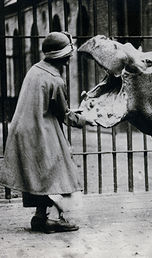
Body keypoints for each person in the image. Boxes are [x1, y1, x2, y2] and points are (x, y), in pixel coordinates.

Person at [0, 32, 96, 233]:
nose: (70, 58)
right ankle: (52, 219)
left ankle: (39, 216)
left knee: (40, 174)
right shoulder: (56, 80)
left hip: (24, 130)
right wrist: (85, 119)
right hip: (41, 131)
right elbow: (65, 115)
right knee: (59, 172)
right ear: (61, 56)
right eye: (68, 54)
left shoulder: (35, 69)